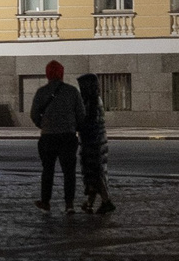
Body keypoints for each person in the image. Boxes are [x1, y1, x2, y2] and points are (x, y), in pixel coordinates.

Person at [30, 60, 84, 212]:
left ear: (47, 74)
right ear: (62, 73)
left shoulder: (41, 92)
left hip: (48, 137)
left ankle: (45, 202)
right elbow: (81, 114)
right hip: (68, 136)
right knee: (69, 172)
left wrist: (43, 125)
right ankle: (69, 204)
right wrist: (75, 127)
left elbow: (34, 114)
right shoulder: (72, 91)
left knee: (47, 170)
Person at [78, 72, 116, 216]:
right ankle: (89, 203)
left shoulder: (90, 101)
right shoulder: (95, 99)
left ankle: (106, 201)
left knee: (95, 173)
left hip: (92, 142)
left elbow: (88, 122)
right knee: (93, 173)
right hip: (97, 141)